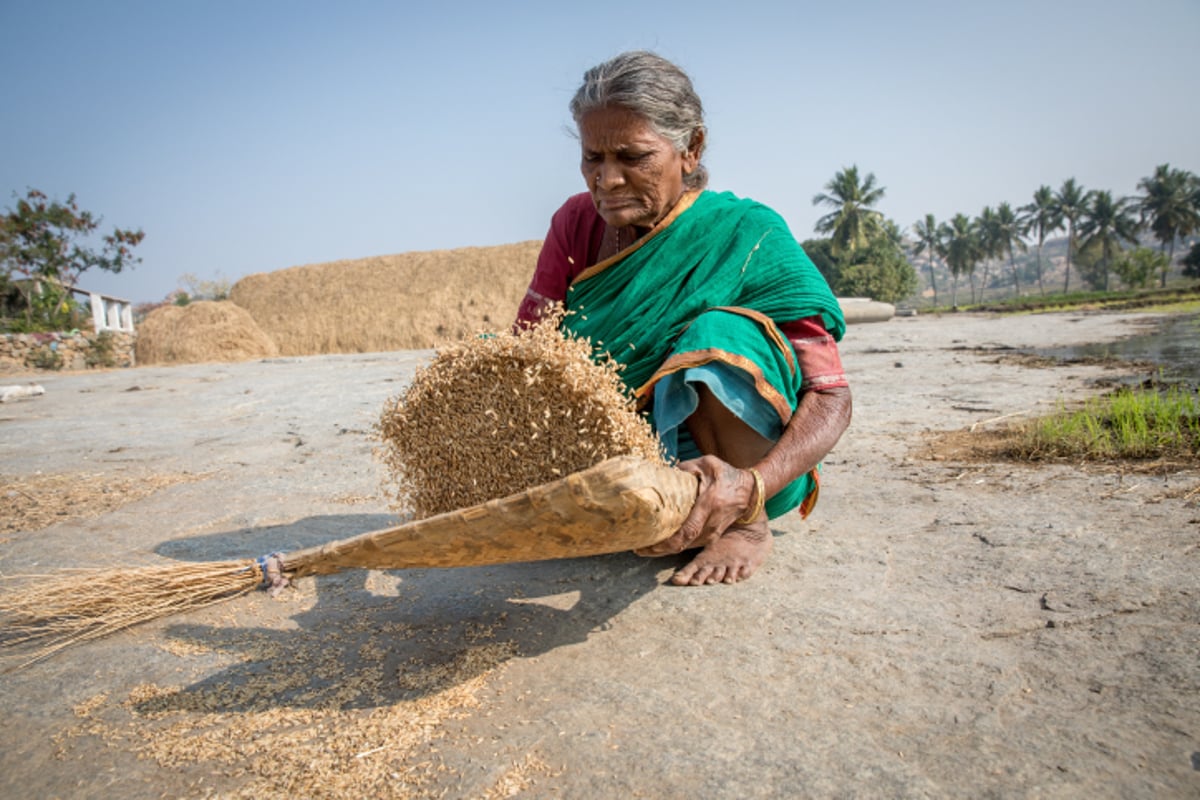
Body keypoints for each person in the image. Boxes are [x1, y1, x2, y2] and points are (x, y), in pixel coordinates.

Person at [515, 51, 851, 586]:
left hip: (746, 469)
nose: (607, 179)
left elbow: (831, 396)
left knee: (717, 334)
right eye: (592, 158)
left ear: (690, 148)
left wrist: (753, 486)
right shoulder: (575, 225)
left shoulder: (747, 232)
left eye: (632, 157)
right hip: (622, 460)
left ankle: (745, 525)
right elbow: (529, 351)